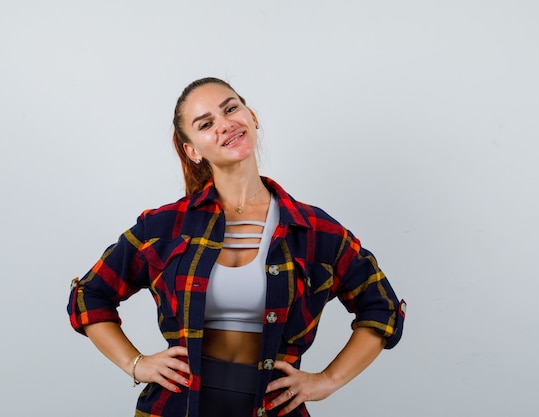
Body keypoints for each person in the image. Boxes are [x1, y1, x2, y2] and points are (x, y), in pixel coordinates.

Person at [67, 77, 406, 417]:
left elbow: (382, 307)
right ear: (193, 150)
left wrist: (328, 380)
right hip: (175, 409)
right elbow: (90, 294)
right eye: (206, 123)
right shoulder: (164, 227)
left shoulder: (315, 230)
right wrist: (136, 364)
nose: (225, 124)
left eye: (231, 108)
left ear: (252, 117)